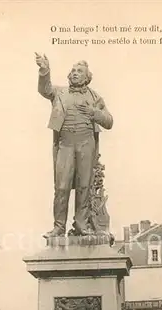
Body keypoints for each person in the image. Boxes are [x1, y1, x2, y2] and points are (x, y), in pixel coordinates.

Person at [35, 53, 113, 238]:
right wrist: (44, 69)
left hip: (86, 143)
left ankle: (81, 225)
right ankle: (58, 227)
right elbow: (44, 89)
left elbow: (109, 122)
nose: (75, 73)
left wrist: (94, 112)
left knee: (84, 185)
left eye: (80, 71)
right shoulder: (59, 93)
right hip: (65, 144)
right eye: (74, 71)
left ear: (87, 77)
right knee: (61, 186)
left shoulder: (95, 97)